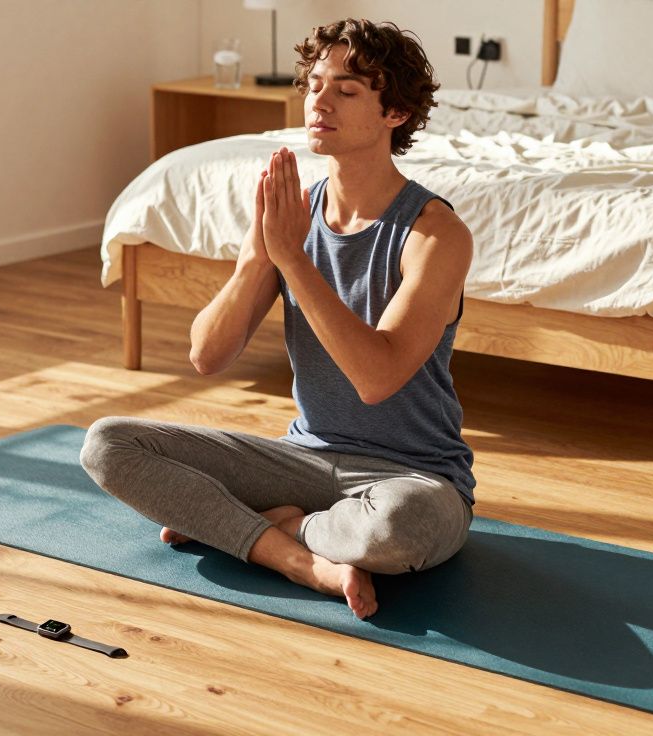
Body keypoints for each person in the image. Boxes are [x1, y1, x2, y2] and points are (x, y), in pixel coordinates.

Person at [81, 18, 475, 620]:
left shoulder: (435, 235)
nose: (319, 101)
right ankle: (295, 556)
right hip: (302, 459)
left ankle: (265, 528)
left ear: (394, 112)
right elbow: (207, 356)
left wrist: (292, 256)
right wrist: (263, 252)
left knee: (398, 528)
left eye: (346, 90)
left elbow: (377, 379)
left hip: (413, 477)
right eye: (315, 84)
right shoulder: (290, 214)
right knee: (109, 444)